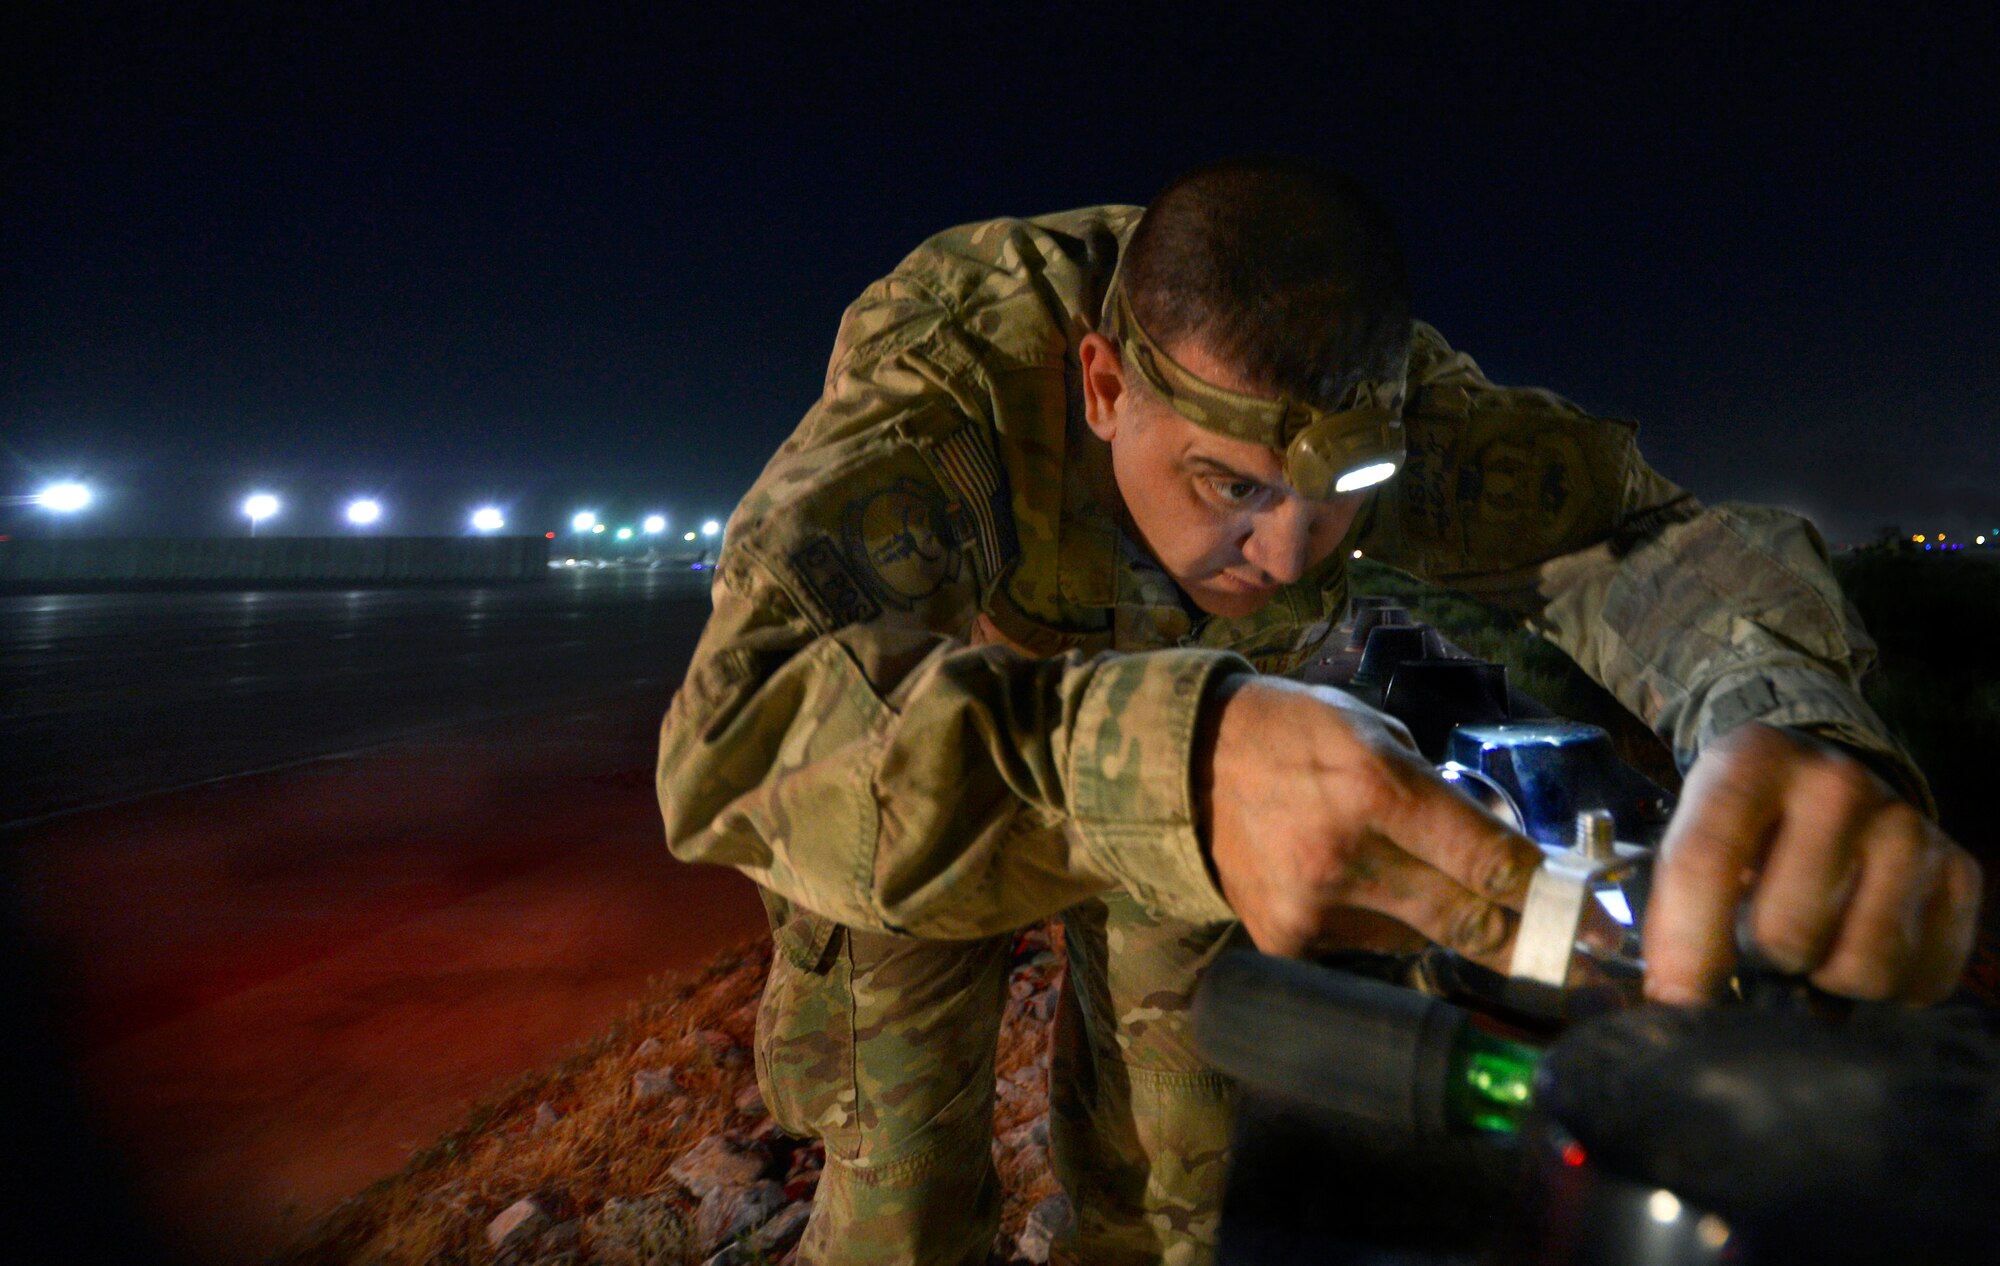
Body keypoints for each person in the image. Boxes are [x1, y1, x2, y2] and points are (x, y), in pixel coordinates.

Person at [655, 158, 1979, 1266]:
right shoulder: (954, 369)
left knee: (1188, 1162)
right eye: (1229, 487)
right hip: (928, 751)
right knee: (904, 1181)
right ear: (1107, 387)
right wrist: (1175, 763)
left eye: (1342, 495)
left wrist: (1785, 714)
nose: (1290, 553)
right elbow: (745, 732)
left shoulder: (1383, 414)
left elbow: (1644, 532)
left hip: (1203, 737)